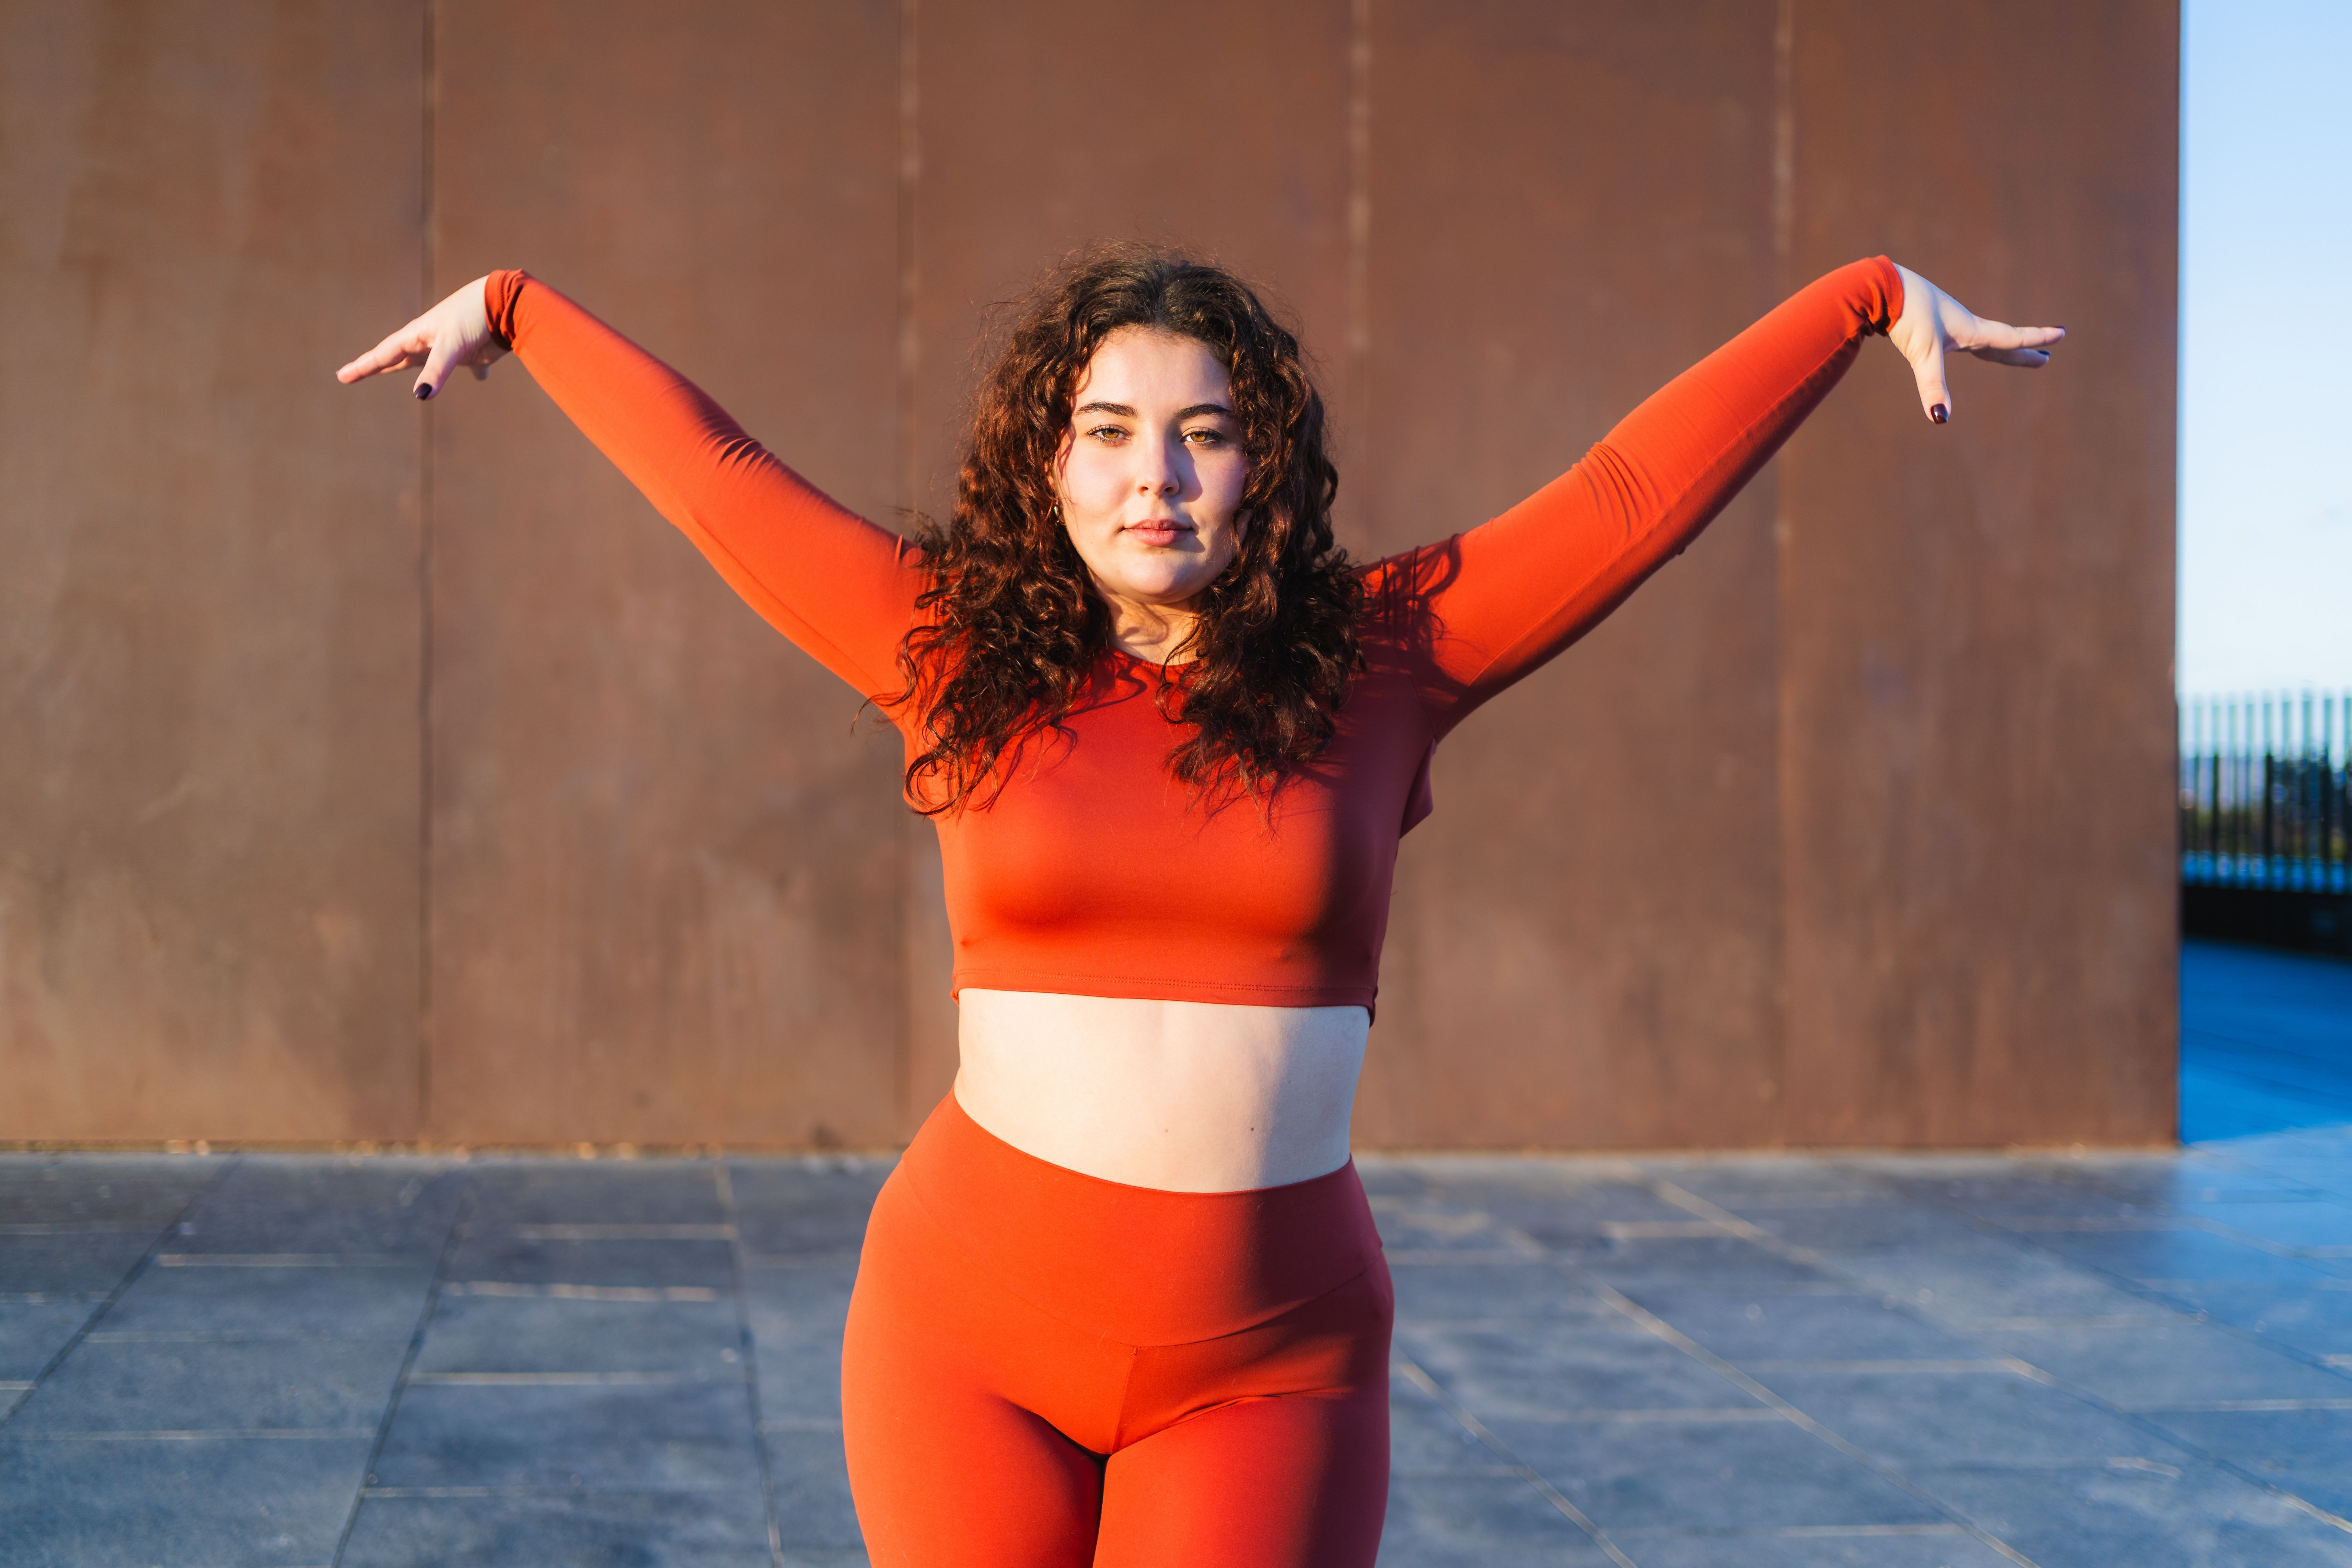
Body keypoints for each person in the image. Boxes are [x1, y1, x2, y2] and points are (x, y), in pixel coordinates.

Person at [339, 244, 2059, 1568]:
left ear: (1264, 472)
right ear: (1050, 467)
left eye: (1205, 433)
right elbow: (724, 481)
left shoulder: (1394, 658)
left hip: (1270, 1358)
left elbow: (1621, 500)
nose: (1153, 472)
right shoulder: (949, 652)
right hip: (966, 1335)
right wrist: (517, 308)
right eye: (1106, 433)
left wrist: (1863, 297)